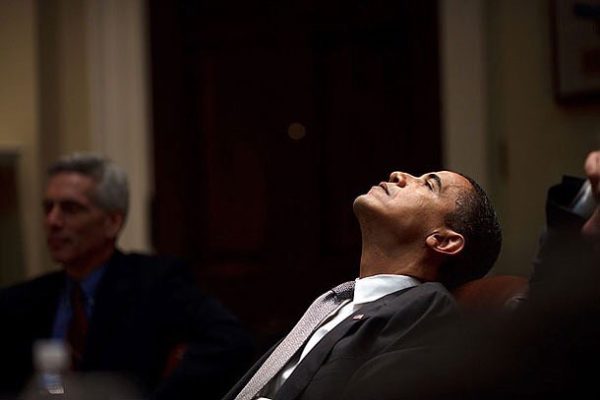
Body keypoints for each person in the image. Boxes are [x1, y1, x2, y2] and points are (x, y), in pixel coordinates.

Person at [222, 169, 502, 400]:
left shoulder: (426, 308)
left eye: (428, 185)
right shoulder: (338, 301)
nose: (399, 175)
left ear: (443, 241)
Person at [0, 153, 255, 400]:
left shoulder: (155, 282)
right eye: (48, 208)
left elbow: (231, 341)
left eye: (70, 208)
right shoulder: (22, 300)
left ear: (112, 222)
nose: (53, 221)